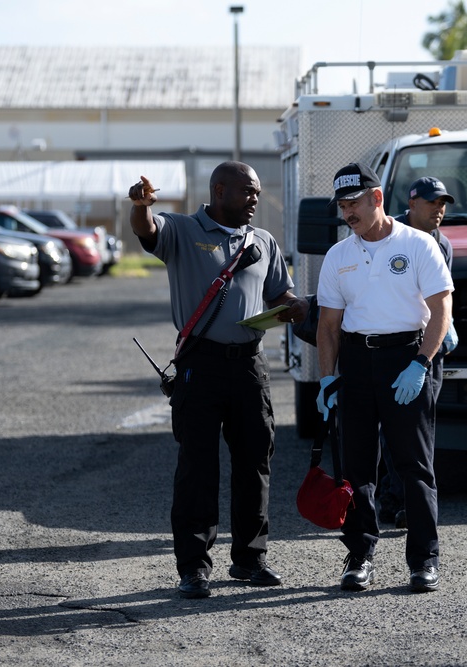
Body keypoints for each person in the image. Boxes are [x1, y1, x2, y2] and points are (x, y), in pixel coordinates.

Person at [128, 162, 307, 599]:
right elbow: (147, 229)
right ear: (220, 190)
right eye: (249, 192)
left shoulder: (261, 240)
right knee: (197, 468)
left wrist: (292, 306)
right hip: (200, 366)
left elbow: (278, 291)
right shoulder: (184, 231)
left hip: (250, 364)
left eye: (259, 194)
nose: (255, 200)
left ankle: (250, 558)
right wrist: (139, 206)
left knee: (255, 464)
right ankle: (194, 567)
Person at [315, 162, 453, 593]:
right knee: (356, 468)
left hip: (406, 358)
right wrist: (325, 379)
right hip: (357, 362)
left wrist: (421, 362)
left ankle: (424, 560)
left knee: (414, 466)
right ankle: (359, 556)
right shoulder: (339, 255)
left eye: (353, 203)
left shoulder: (418, 245)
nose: (347, 213)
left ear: (377, 198)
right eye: (341, 206)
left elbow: (441, 309)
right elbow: (328, 327)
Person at [378, 177, 459, 529]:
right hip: (394, 346)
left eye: (442, 203)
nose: (439, 209)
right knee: (394, 428)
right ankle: (399, 498)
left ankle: (401, 499)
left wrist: (443, 334)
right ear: (412, 203)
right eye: (432, 202)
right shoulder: (391, 237)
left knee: (419, 427)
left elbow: (441, 301)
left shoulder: (443, 244)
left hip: (428, 350)